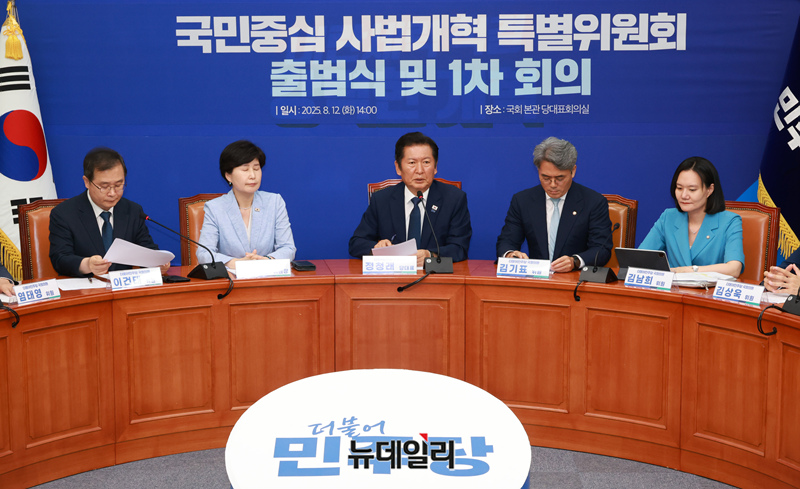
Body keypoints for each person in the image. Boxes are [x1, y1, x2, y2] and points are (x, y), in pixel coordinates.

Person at [348, 132, 472, 267]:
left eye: (426, 162)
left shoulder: (454, 199)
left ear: (435, 167)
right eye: (412, 163)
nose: (419, 170)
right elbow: (356, 243)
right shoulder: (382, 200)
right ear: (398, 167)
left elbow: (460, 248)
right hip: (394, 275)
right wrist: (377, 248)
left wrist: (430, 255)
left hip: (434, 274)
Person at [496, 136, 613, 272]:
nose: (552, 185)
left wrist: (575, 261)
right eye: (546, 178)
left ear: (573, 171)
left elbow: (601, 249)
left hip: (575, 278)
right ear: (538, 171)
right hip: (537, 278)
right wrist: (510, 255)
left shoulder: (593, 202)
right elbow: (507, 241)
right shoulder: (523, 200)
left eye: (560, 178)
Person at [49, 147, 171, 277]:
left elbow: (147, 250)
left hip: (123, 286)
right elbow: (60, 259)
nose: (112, 193)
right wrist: (88, 264)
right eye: (104, 186)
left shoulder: (133, 211)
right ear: (87, 182)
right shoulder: (64, 214)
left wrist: (157, 264)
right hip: (86, 286)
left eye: (118, 185)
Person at [639, 156, 744, 277]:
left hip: (710, 288)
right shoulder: (668, 217)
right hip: (673, 288)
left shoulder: (730, 221)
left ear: (709, 190)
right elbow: (640, 259)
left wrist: (689, 271)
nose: (684, 195)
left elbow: (734, 268)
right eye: (679, 188)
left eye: (692, 189)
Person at [197, 140, 296, 267]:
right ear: (228, 176)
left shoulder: (275, 202)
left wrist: (267, 260)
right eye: (245, 169)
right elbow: (204, 254)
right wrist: (236, 263)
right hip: (231, 277)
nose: (252, 175)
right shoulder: (215, 208)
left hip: (267, 275)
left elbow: (288, 248)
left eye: (256, 168)